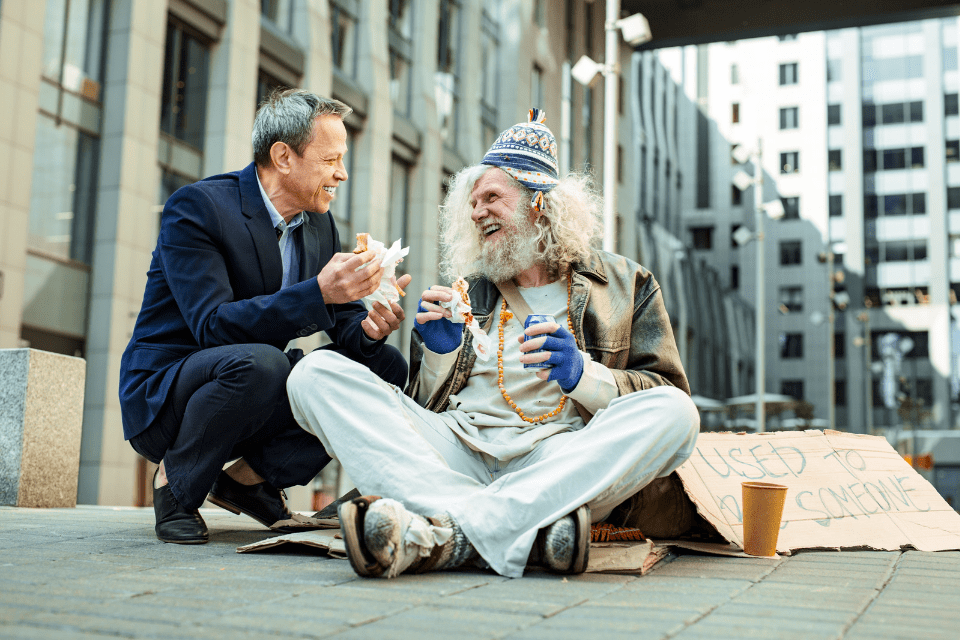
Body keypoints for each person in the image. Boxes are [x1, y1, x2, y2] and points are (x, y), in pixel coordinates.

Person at [287, 109, 699, 578]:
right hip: (458, 451)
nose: (477, 211)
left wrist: (583, 375)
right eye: (472, 202)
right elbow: (419, 416)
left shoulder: (626, 283)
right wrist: (440, 355)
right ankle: (517, 526)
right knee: (313, 374)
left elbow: (665, 387)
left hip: (558, 455)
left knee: (676, 414)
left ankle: (440, 535)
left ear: (538, 203)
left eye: (491, 198)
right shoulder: (469, 289)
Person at [119, 90, 410, 545]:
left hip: (252, 389)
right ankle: (175, 487)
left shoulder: (318, 224)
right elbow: (211, 325)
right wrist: (318, 292)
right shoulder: (198, 208)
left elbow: (341, 320)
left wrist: (369, 330)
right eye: (331, 159)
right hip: (168, 393)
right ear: (283, 156)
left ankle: (248, 480)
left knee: (385, 369)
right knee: (263, 363)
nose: (342, 173)